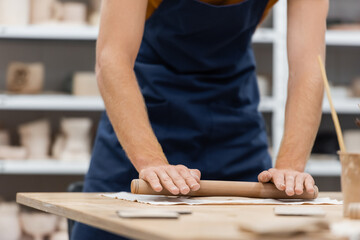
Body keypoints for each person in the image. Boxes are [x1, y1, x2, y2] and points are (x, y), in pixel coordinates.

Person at [71, 0, 329, 239]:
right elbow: (112, 59)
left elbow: (308, 67)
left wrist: (289, 169)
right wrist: (150, 161)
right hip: (144, 110)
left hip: (233, 119)